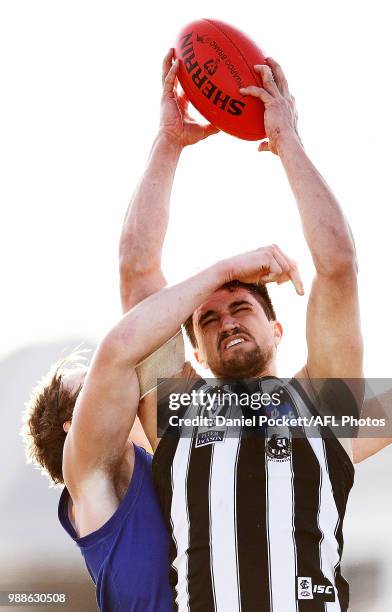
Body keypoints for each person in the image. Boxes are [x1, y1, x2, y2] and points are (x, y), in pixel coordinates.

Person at [131, 56, 365, 612]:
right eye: (207, 319)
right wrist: (167, 144)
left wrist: (287, 139)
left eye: (240, 307)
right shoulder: (177, 410)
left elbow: (338, 264)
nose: (226, 321)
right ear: (195, 349)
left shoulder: (321, 400)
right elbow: (137, 269)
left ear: (278, 327)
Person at [22, 48, 219, 612]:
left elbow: (137, 269)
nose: (117, 381)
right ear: (71, 423)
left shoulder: (167, 443)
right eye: (88, 391)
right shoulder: (88, 480)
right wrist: (224, 270)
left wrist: (168, 142)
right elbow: (123, 341)